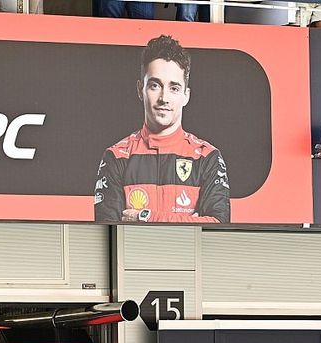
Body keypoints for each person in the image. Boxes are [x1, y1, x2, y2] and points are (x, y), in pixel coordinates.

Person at [94, 35, 230, 225]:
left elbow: (218, 227)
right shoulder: (116, 156)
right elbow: (109, 232)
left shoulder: (208, 157)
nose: (164, 98)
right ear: (140, 89)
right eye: (155, 86)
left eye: (174, 88)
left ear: (186, 95)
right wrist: (189, 223)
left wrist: (145, 217)